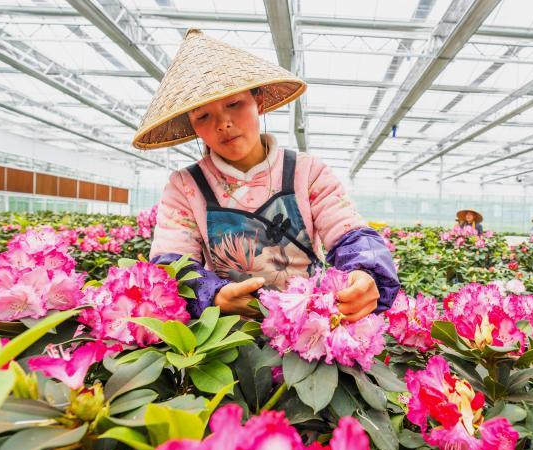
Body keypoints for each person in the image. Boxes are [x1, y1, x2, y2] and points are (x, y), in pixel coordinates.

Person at [133, 29, 399, 321]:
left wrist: (365, 273)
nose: (223, 123)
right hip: (229, 337)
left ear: (258, 101)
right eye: (202, 116)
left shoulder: (307, 172)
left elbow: (350, 234)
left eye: (234, 104)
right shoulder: (185, 186)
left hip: (310, 325)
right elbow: (172, 264)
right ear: (192, 126)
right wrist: (215, 295)